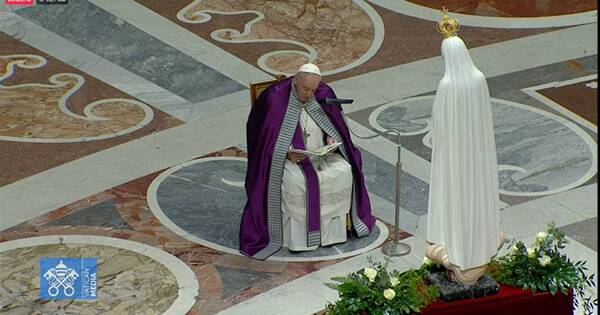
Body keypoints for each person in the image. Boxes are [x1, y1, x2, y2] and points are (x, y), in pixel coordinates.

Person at [240, 63, 376, 260]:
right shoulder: (274, 98)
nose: (310, 94)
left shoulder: (323, 93)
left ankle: (331, 235)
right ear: (295, 82)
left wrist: (331, 139)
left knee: (344, 170)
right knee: (298, 181)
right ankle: (298, 239)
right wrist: (285, 153)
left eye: (313, 89)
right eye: (306, 89)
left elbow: (336, 125)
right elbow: (261, 138)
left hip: (320, 153)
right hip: (288, 158)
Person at [426, 9, 503, 284]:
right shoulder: (479, 78)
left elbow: (440, 124)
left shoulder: (447, 84)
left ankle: (459, 250)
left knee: (457, 198)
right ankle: (479, 246)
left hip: (456, 157)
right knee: (476, 197)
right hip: (478, 154)